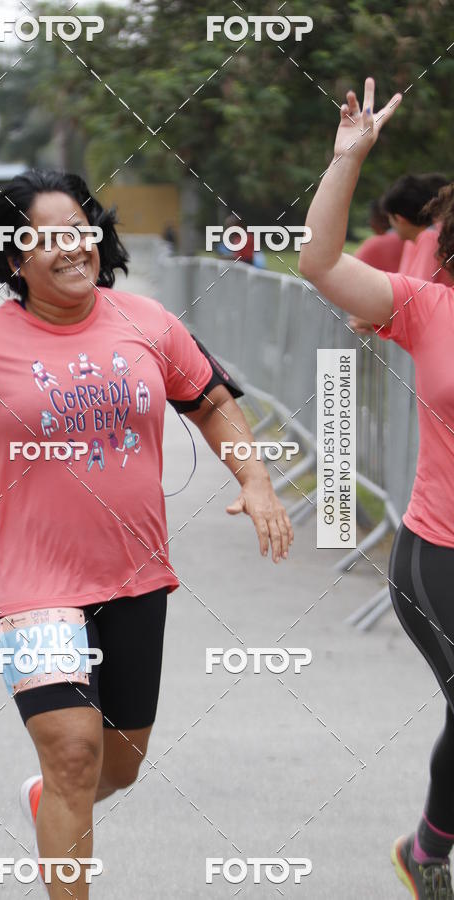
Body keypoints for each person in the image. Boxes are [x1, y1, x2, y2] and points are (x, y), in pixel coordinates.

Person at [0, 170, 293, 899]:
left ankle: (52, 806)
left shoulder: (147, 321)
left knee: (115, 767)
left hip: (135, 578)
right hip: (33, 588)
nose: (70, 247)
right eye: (46, 237)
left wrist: (254, 479)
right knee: (70, 754)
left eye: (79, 230)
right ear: (13, 259)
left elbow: (212, 402)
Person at [299, 77, 454, 900]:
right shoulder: (429, 309)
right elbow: (319, 262)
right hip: (442, 555)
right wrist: (347, 159)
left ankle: (427, 848)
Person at [350, 173, 452, 335]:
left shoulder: (429, 237)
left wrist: (380, 320)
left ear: (399, 218)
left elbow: (416, 300)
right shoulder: (420, 239)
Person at [353, 198, 404, 272]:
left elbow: (352, 271)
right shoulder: (413, 239)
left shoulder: (376, 243)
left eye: (371, 218)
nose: (370, 223)